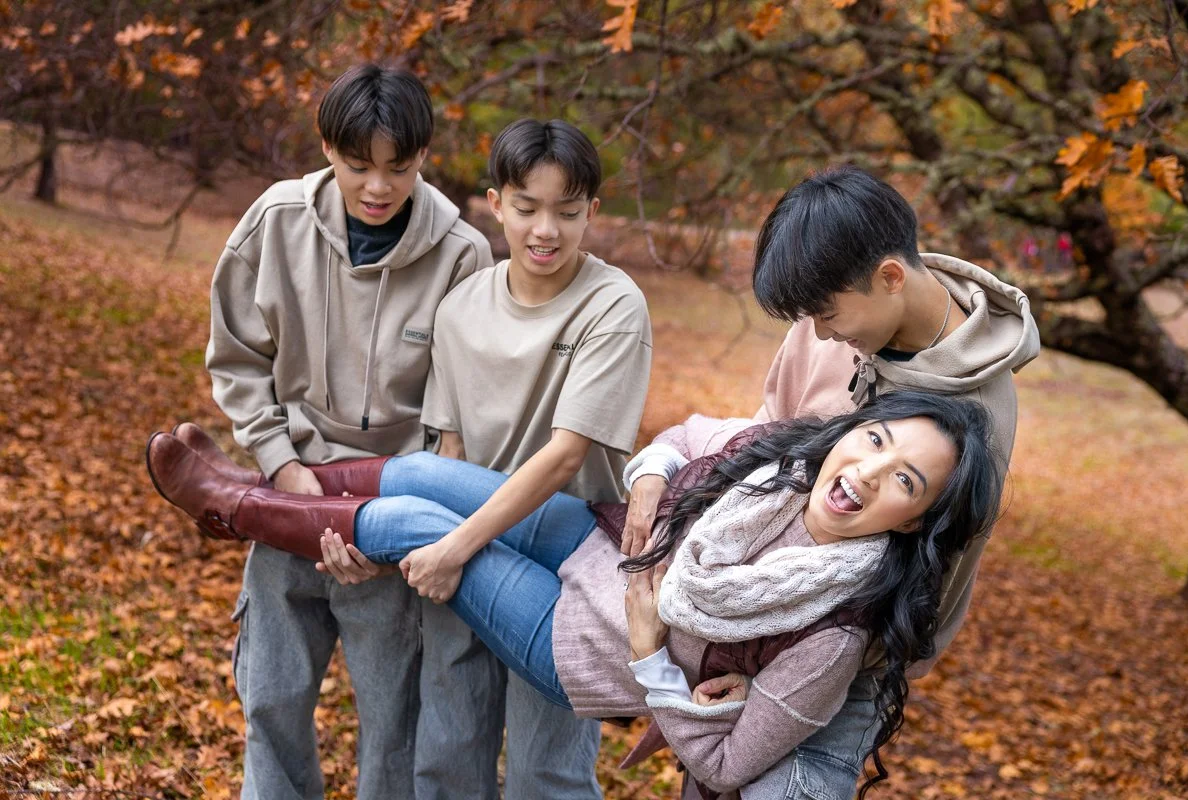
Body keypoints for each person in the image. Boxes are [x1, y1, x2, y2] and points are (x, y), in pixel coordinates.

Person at [145, 391, 1004, 799]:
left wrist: (650, 653)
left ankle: (234, 508)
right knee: (425, 473)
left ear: (915, 522)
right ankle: (252, 485)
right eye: (876, 440)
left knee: (413, 522)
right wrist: (652, 476)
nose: (867, 472)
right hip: (601, 544)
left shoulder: (835, 633)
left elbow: (723, 767)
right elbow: (685, 435)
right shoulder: (786, 457)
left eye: (905, 481)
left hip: (579, 644)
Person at [620, 164, 1040, 798]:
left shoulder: (978, 409)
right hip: (742, 618)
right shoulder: (838, 301)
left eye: (826, 315)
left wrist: (780, 669)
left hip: (840, 664)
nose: (818, 333)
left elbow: (933, 578)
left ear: (890, 278)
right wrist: (662, 463)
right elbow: (766, 435)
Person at [202, 63, 492, 799]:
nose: (377, 186)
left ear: (423, 156)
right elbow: (237, 357)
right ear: (327, 146)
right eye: (358, 165)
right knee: (270, 699)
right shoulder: (275, 220)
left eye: (398, 167)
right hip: (289, 492)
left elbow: (456, 416)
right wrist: (280, 463)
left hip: (393, 515)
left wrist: (388, 528)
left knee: (393, 724)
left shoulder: (463, 254)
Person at [352, 117, 652, 799]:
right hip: (463, 549)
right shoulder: (460, 308)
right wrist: (452, 552)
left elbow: (566, 454)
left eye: (567, 212)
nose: (546, 230)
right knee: (447, 755)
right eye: (526, 208)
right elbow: (450, 451)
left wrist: (453, 546)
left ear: (592, 212)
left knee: (544, 774)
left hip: (564, 563)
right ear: (495, 204)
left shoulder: (613, 305)